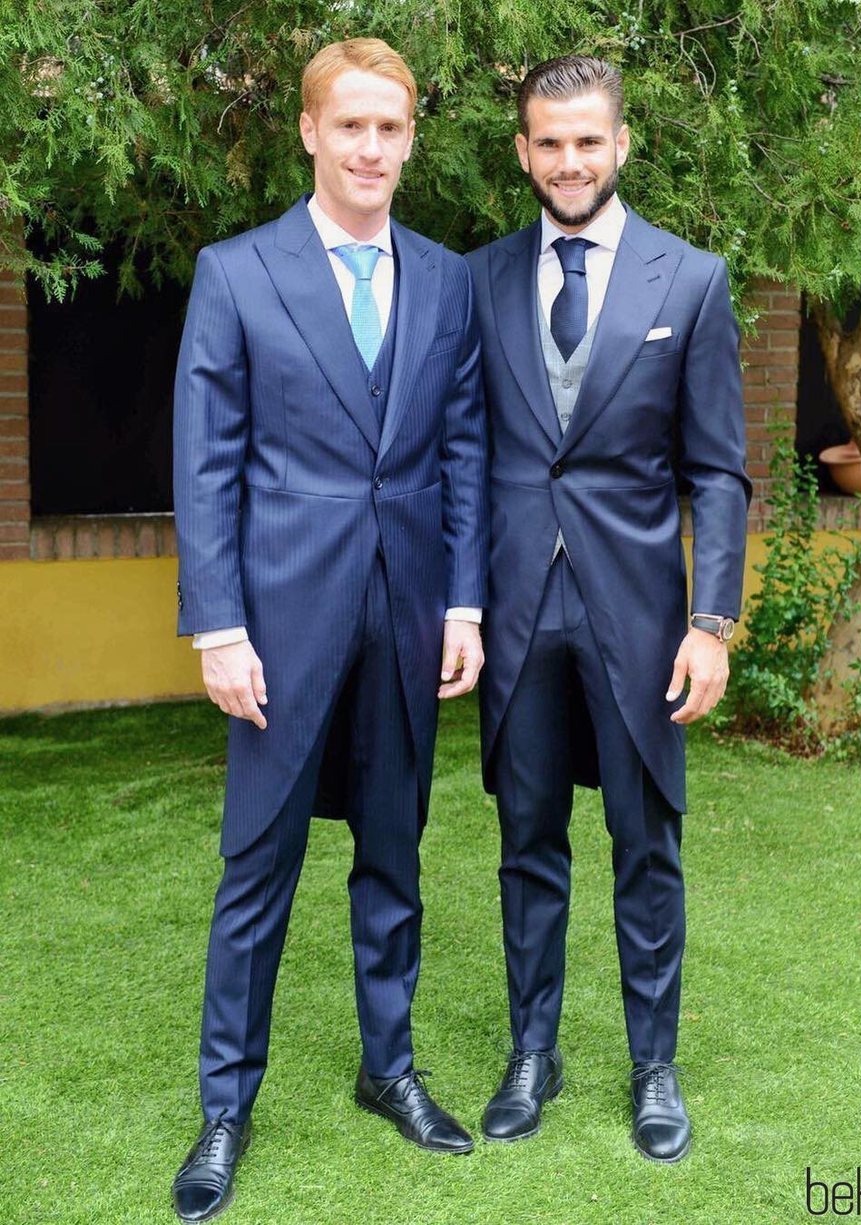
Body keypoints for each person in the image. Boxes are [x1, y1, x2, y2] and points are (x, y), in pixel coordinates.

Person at [170, 37, 488, 1222]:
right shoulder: (236, 272)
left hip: (407, 614)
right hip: (280, 621)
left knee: (393, 857)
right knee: (257, 867)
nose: (370, 148)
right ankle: (224, 1107)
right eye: (348, 125)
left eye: (390, 129)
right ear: (308, 131)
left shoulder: (446, 280)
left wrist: (461, 602)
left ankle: (388, 1067)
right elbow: (204, 466)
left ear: (410, 138)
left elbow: (461, 448)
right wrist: (217, 627)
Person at [465, 55, 750, 1163]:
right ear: (524, 150)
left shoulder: (689, 281)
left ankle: (653, 1066)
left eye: (588, 140)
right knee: (527, 842)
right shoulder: (479, 280)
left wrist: (710, 620)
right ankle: (531, 1051)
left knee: (646, 848)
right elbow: (466, 451)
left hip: (639, 622)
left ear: (619, 144)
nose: (569, 160)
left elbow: (717, 472)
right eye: (549, 142)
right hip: (515, 616)